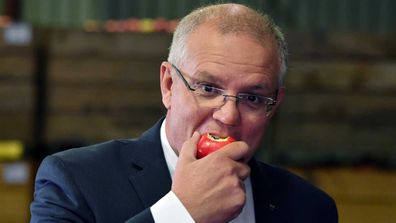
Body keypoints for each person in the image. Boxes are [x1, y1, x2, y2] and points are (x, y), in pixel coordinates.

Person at [30, 3, 338, 223]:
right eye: (207, 89)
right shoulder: (76, 181)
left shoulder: (309, 208)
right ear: (168, 85)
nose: (228, 115)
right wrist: (180, 213)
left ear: (274, 106)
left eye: (253, 98)